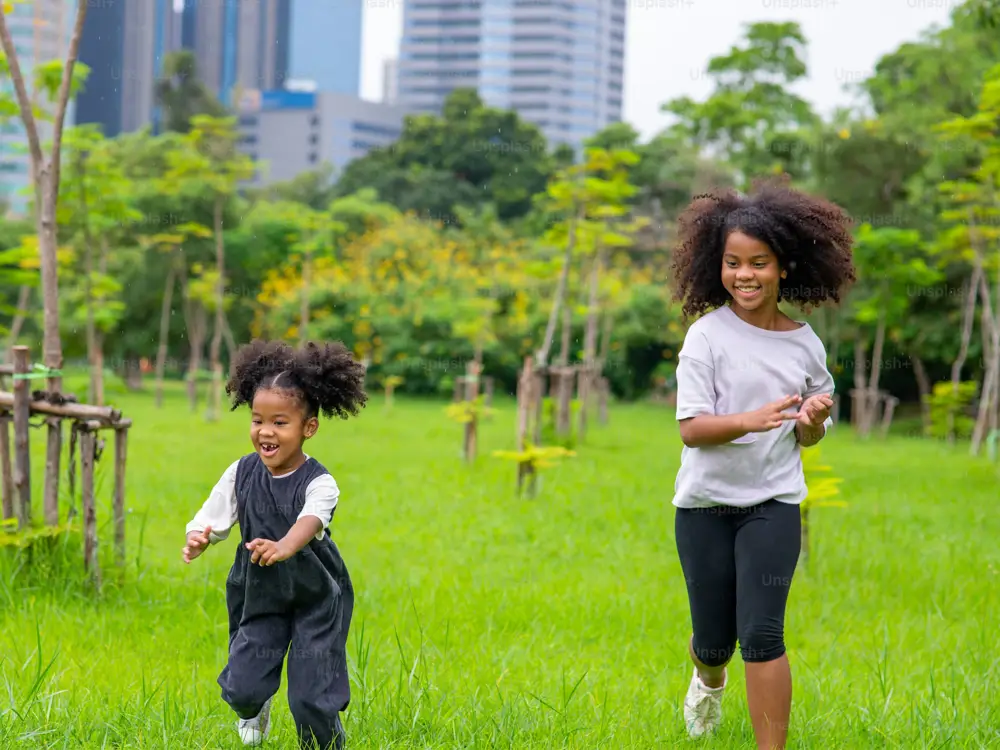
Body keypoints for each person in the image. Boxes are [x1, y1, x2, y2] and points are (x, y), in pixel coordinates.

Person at [668, 178, 856, 750]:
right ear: (715, 265)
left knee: (763, 633)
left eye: (758, 263)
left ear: (783, 266)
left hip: (772, 503)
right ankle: (707, 676)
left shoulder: (805, 344)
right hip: (704, 505)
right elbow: (692, 430)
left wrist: (813, 420)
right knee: (715, 640)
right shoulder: (706, 337)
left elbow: (809, 435)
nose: (744, 275)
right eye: (732, 263)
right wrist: (750, 420)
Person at [182, 339, 368, 749]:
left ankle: (324, 744)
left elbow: (311, 519)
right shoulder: (242, 472)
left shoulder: (320, 482)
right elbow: (214, 515)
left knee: (309, 698)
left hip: (315, 597)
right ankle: (255, 709)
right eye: (257, 420)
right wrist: (200, 536)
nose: (265, 431)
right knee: (244, 686)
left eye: (280, 422)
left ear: (309, 427)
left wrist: (285, 546)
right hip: (260, 593)